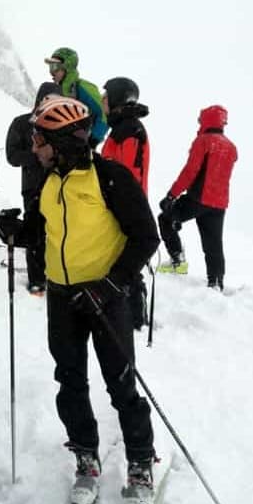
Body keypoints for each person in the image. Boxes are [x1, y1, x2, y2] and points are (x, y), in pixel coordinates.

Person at [29, 97, 160, 504]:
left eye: (41, 140)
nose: (35, 147)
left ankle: (140, 461)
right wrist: (18, 228)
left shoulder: (110, 178)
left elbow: (146, 237)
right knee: (69, 381)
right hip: (62, 296)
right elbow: (41, 227)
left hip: (106, 298)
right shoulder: (50, 180)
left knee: (121, 383)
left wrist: (110, 285)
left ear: (65, 141)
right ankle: (86, 457)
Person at [156, 105, 238, 290]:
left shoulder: (203, 141)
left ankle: (178, 262)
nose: (199, 123)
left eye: (200, 120)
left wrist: (171, 196)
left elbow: (190, 171)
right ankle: (216, 282)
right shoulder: (231, 147)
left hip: (198, 199)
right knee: (213, 244)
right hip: (219, 203)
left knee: (165, 218)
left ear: (207, 120)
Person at [100, 77, 151, 329]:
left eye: (106, 96)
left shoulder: (129, 130)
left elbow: (127, 173)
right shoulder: (122, 127)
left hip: (126, 205)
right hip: (119, 202)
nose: (102, 100)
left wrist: (116, 201)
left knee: (127, 257)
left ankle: (134, 315)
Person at [4, 81, 60, 295]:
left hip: (60, 187)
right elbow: (12, 156)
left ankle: (58, 276)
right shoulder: (22, 123)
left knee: (58, 233)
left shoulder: (62, 126)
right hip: (33, 187)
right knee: (35, 234)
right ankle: (37, 280)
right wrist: (38, 156)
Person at [43, 47, 108, 147]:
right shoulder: (54, 92)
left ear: (67, 66)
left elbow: (103, 114)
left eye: (55, 66)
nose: (51, 72)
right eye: (50, 67)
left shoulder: (83, 87)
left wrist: (92, 140)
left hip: (81, 146)